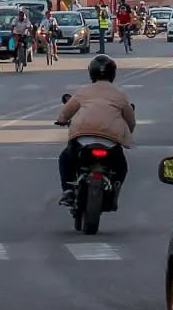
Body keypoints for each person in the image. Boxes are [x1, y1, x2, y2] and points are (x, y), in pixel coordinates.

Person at [54, 55, 136, 206]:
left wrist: (61, 120)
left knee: (65, 158)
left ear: (91, 73)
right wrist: (128, 131)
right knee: (121, 167)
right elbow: (131, 120)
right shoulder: (120, 95)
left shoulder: (83, 91)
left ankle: (68, 191)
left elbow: (66, 112)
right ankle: (114, 192)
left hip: (82, 139)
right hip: (111, 142)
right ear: (113, 74)